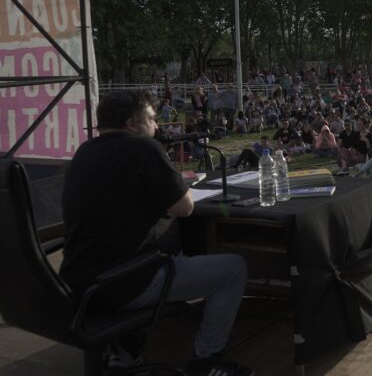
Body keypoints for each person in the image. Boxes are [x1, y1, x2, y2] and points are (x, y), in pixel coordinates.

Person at [59, 90, 252, 376]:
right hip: (125, 282)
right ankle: (206, 361)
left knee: (168, 247)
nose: (157, 125)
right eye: (151, 118)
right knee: (233, 269)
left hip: (80, 285)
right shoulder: (143, 148)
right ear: (131, 125)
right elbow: (184, 208)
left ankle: (125, 353)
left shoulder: (84, 152)